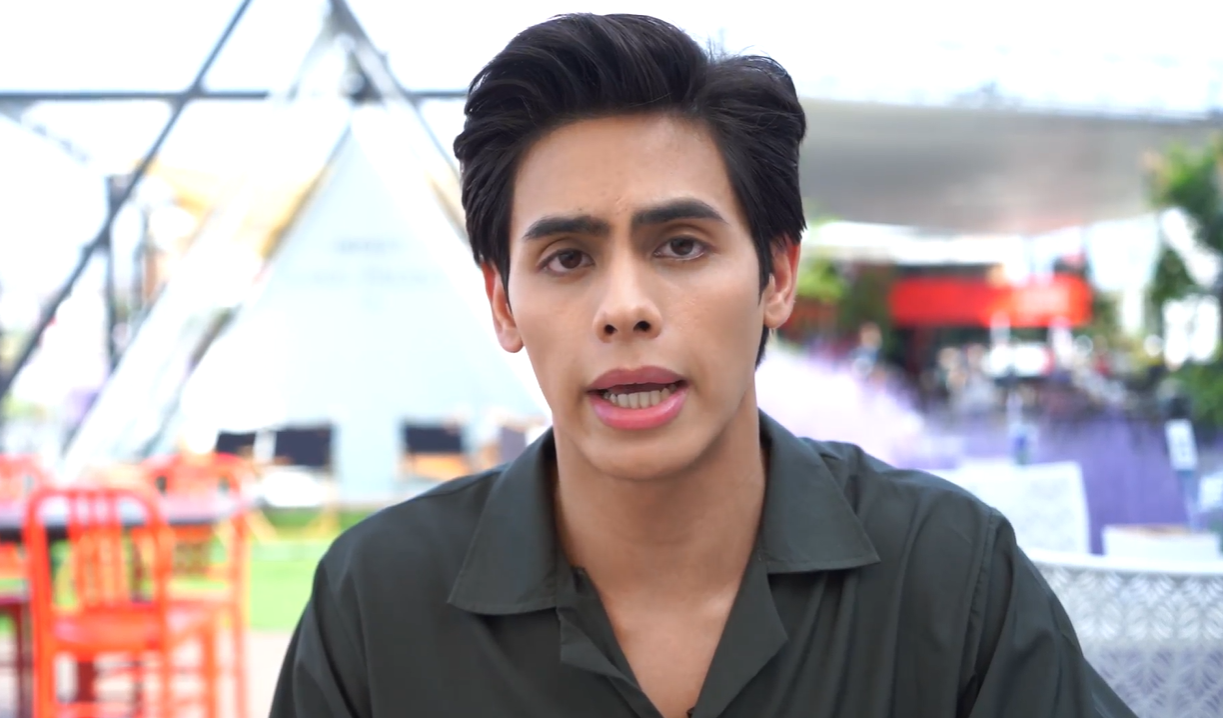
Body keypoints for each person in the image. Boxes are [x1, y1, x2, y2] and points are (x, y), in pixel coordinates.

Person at [270, 13, 1135, 718]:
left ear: (777, 275)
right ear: (502, 303)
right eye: (567, 258)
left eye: (680, 245)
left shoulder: (948, 574)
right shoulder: (376, 604)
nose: (624, 307)